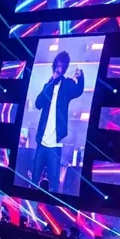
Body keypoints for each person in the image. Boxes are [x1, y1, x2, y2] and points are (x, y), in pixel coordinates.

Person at [32, 51, 84, 192]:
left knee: (54, 183)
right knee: (35, 178)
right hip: (42, 142)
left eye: (62, 66)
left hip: (55, 143)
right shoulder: (47, 86)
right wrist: (50, 83)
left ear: (65, 68)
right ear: (54, 67)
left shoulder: (67, 85)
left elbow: (78, 90)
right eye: (57, 66)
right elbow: (38, 103)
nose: (59, 69)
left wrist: (81, 77)